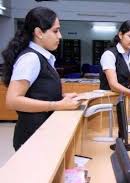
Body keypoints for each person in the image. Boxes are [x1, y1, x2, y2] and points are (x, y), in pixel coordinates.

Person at [1, 7, 80, 151]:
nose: (60, 36)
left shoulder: (43, 57)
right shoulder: (31, 58)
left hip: (43, 133)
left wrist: (60, 98)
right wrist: (56, 105)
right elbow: (12, 100)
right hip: (32, 137)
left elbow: (37, 93)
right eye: (55, 31)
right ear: (39, 33)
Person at [99, 20, 130, 96]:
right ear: (121, 35)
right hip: (109, 100)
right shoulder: (109, 55)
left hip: (127, 99)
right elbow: (113, 85)